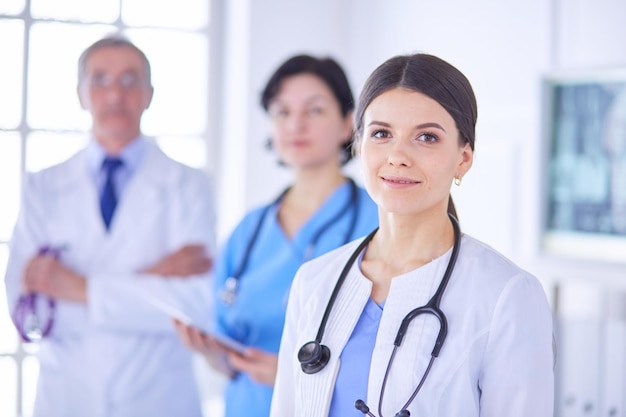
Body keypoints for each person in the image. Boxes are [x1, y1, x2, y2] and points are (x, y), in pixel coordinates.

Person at [270, 53, 555, 417]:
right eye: (381, 134)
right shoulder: (314, 282)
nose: (398, 155)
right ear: (359, 145)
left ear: (463, 158)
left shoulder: (507, 296)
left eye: (426, 137)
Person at [4, 34, 215, 417]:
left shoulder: (189, 184)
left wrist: (78, 286)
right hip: (66, 397)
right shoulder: (43, 187)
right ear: (81, 94)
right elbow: (31, 310)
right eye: (100, 80)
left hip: (157, 397)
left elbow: (195, 304)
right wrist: (150, 277)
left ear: (149, 94)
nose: (115, 94)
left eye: (130, 79)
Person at [174, 54, 379, 417]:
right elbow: (229, 349)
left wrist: (293, 373)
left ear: (348, 124)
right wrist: (215, 355)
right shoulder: (248, 231)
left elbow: (396, 354)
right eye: (282, 112)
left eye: (313, 110)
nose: (295, 125)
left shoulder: (376, 222)